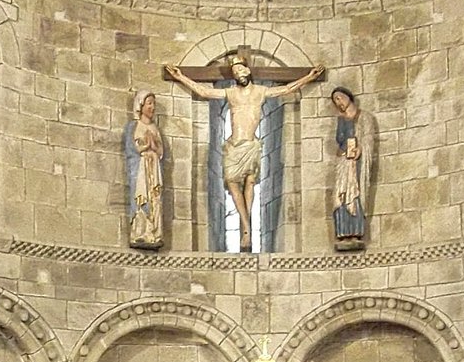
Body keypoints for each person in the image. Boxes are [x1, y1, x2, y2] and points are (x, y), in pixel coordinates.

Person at [166, 55, 324, 252]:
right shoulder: (231, 93)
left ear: (248, 71)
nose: (238, 73)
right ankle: (246, 226)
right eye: (234, 72)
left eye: (241, 70)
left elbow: (286, 89)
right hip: (233, 146)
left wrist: (309, 77)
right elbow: (203, 91)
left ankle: (246, 231)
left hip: (251, 145)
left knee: (249, 183)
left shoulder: (260, 91)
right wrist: (181, 77)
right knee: (232, 184)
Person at [330, 86, 374, 250]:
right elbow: (339, 139)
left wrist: (361, 149)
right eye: (335, 101)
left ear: (348, 97)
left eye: (340, 98)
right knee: (340, 195)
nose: (338, 102)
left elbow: (368, 139)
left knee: (355, 193)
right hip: (343, 160)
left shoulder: (365, 118)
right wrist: (342, 121)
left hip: (357, 164)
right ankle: (342, 232)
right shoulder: (341, 119)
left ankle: (356, 231)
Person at [123, 90, 165, 249]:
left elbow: (161, 152)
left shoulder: (155, 128)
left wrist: (154, 146)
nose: (152, 107)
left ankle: (154, 232)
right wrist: (145, 146)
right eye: (149, 103)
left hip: (154, 169)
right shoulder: (133, 126)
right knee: (141, 198)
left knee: (155, 199)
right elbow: (130, 148)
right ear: (140, 105)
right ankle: (140, 233)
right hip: (140, 169)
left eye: (153, 104)